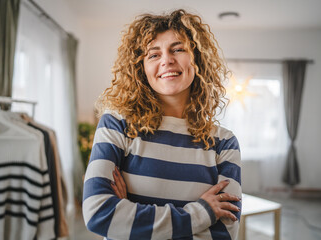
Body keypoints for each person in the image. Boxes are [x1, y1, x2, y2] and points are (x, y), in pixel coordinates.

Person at [83, 9, 242, 240]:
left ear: (197, 58)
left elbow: (223, 233)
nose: (167, 60)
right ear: (141, 68)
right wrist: (202, 213)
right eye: (153, 55)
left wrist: (132, 221)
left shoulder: (224, 143)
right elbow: (98, 213)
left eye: (178, 49)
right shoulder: (117, 125)